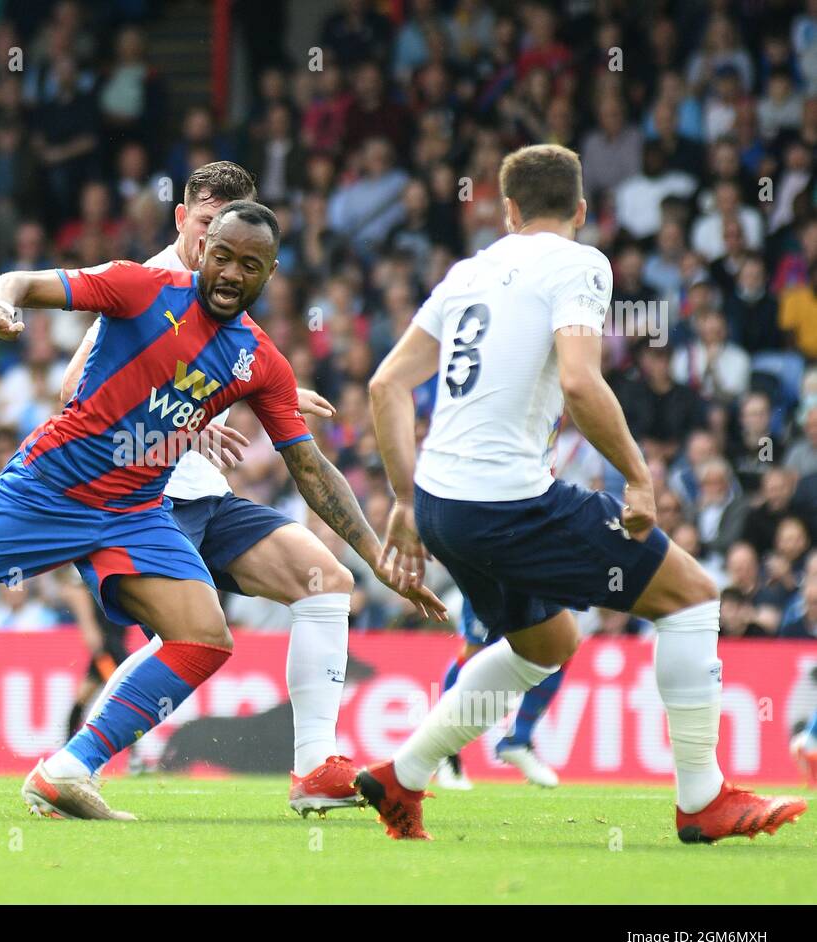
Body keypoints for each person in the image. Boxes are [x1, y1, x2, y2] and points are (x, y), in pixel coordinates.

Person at [0, 201, 446, 821]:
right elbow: (25, 280)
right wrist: (5, 303)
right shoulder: (142, 288)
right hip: (44, 491)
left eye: (250, 265)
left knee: (204, 637)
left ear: (271, 273)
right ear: (201, 248)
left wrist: (378, 555)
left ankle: (67, 770)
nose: (232, 273)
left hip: (135, 511)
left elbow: (311, 466)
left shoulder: (260, 360)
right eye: (222, 255)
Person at [363, 143, 806, 843]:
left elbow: (385, 384)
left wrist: (403, 499)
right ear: (580, 209)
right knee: (691, 593)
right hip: (506, 501)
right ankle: (702, 798)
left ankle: (402, 775)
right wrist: (637, 473)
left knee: (546, 643)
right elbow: (579, 379)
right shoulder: (580, 263)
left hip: (443, 504)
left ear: (507, 210)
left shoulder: (466, 273)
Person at [48, 162, 370, 817]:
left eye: (225, 234)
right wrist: (185, 430)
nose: (213, 247)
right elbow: (74, 392)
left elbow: (232, 370)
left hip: (206, 495)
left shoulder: (225, 291)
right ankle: (70, 764)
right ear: (182, 220)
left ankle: (313, 767)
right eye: (202, 227)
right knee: (193, 639)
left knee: (327, 582)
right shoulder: (148, 286)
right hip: (149, 501)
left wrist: (267, 398)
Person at [434, 599, 564, 790]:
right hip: (490, 573)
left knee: (559, 643)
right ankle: (443, 750)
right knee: (477, 650)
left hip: (535, 573)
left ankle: (518, 739)